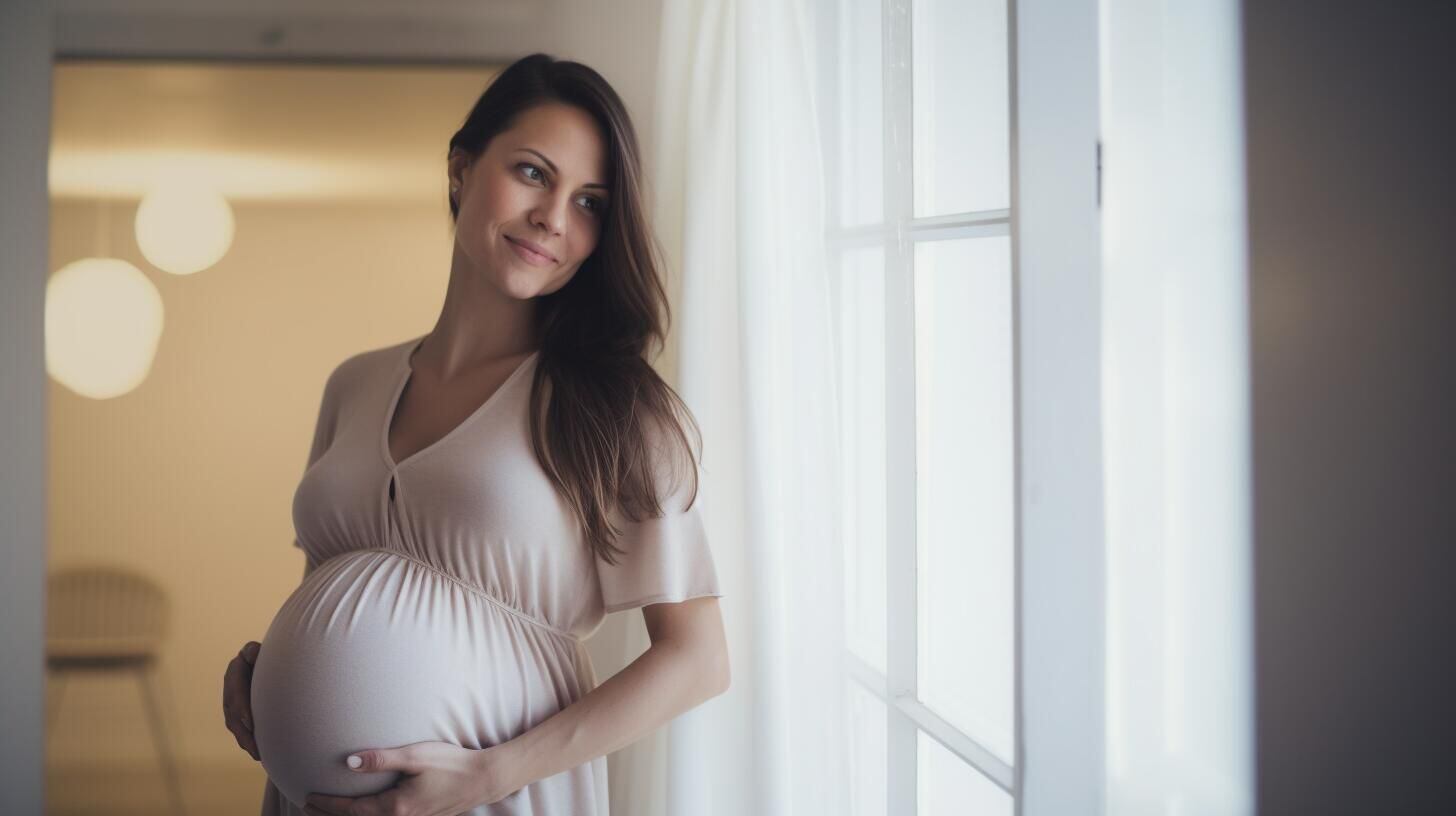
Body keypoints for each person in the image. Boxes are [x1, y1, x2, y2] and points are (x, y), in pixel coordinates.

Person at [220, 53, 729, 815]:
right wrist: (270, 674)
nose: (554, 218)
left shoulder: (614, 408)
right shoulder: (353, 385)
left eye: (590, 202)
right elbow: (329, 598)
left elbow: (698, 661)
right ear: (461, 169)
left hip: (496, 798)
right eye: (533, 173)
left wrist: (489, 775)